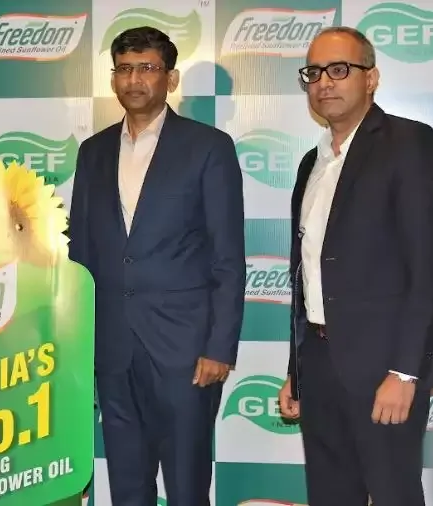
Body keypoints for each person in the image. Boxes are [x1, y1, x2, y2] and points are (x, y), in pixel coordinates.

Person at [68, 26, 245, 505]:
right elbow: (80, 255)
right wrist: (81, 345)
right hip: (113, 350)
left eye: (147, 68)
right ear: (112, 78)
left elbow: (228, 257)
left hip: (186, 352)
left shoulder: (209, 147)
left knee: (186, 487)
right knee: (127, 487)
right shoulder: (92, 152)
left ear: (171, 78)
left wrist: (219, 347)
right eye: (124, 69)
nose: (134, 80)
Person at [277, 26, 433, 506]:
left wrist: (405, 373)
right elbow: (306, 276)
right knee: (330, 495)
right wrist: (297, 370)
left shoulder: (408, 142)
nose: (324, 82)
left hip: (384, 368)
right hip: (318, 363)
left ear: (371, 78)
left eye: (339, 69)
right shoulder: (312, 163)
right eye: (314, 73)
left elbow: (426, 268)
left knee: (394, 494)